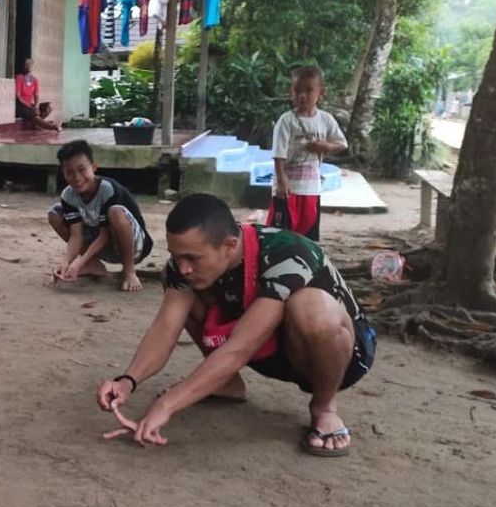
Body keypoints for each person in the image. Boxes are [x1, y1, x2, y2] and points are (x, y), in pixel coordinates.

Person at [96, 193, 375, 457]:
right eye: (177, 256)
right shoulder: (185, 267)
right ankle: (226, 384)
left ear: (229, 246)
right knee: (187, 290)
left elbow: (240, 349)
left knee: (309, 307)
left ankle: (324, 407)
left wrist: (167, 404)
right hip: (274, 349)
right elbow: (166, 327)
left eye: (193, 258)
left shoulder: (288, 253)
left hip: (340, 356)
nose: (183, 267)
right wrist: (128, 380)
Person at [48, 140, 153, 292]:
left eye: (82, 170)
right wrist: (66, 262)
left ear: (94, 167)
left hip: (134, 246)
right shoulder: (68, 195)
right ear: (63, 174)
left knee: (115, 212)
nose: (77, 178)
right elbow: (76, 235)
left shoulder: (107, 190)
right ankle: (93, 264)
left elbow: (105, 235)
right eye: (69, 172)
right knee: (54, 214)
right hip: (102, 245)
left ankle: (129, 271)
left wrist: (79, 263)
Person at [268, 65, 347, 240]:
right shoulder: (286, 120)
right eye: (298, 91)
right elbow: (278, 153)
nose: (302, 95)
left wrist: (324, 146)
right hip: (288, 188)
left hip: (311, 188)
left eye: (309, 90)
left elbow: (342, 144)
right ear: (291, 92)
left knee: (307, 235)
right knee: (281, 235)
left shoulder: (325, 119)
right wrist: (282, 181)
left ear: (321, 92)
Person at [15, 58, 61, 131]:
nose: (28, 66)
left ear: (32, 66)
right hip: (21, 106)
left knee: (48, 108)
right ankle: (53, 126)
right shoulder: (19, 77)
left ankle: (35, 125)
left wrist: (36, 105)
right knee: (33, 112)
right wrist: (30, 106)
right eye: (26, 64)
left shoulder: (34, 80)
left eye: (30, 64)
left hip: (30, 105)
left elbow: (36, 95)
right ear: (24, 66)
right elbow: (18, 96)